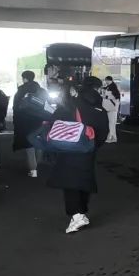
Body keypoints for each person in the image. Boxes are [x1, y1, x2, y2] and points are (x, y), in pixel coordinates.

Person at [47, 77, 109, 234]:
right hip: (88, 149)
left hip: (69, 149)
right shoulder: (99, 107)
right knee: (83, 180)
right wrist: (92, 145)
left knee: (70, 182)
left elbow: (54, 123)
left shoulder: (71, 105)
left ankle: (76, 215)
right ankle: (81, 213)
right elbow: (104, 131)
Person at [14, 70, 49, 178]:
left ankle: (33, 170)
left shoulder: (21, 90)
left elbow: (16, 107)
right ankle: (37, 165)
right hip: (40, 120)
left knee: (29, 144)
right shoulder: (42, 90)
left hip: (26, 121)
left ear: (25, 79)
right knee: (38, 142)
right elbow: (47, 104)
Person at [101, 76, 121, 143]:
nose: (106, 81)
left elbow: (117, 96)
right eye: (105, 80)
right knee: (111, 123)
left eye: (107, 80)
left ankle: (112, 138)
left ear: (110, 80)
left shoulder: (113, 87)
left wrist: (106, 97)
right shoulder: (109, 87)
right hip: (110, 108)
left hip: (112, 108)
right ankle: (113, 138)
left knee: (112, 123)